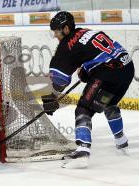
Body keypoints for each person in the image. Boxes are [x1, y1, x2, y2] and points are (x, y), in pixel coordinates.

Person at [41, 11, 134, 168]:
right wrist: (88, 70)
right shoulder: (87, 31)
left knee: (83, 110)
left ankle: (83, 151)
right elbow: (98, 53)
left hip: (107, 74)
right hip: (127, 68)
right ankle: (121, 140)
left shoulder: (66, 46)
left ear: (65, 29)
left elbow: (61, 80)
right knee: (108, 102)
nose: (56, 36)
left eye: (57, 31)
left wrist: (54, 96)